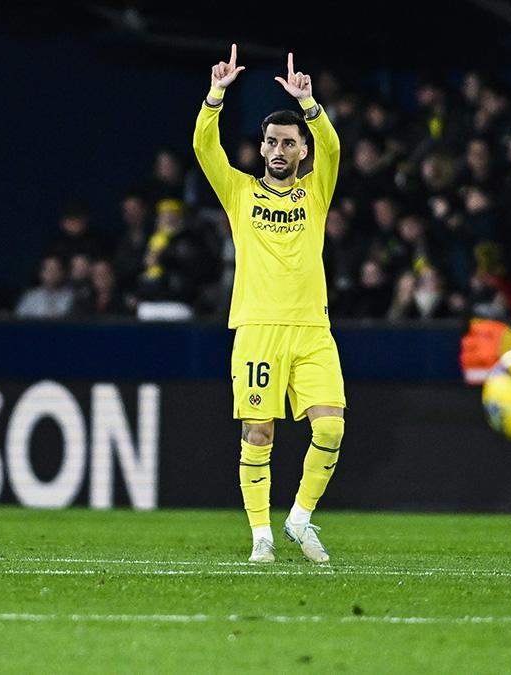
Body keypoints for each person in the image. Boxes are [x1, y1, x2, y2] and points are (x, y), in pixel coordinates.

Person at [193, 46, 346, 565]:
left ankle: (299, 518)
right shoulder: (240, 193)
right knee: (258, 432)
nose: (279, 149)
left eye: (289, 143)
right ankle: (261, 535)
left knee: (330, 427)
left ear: (302, 151)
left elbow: (333, 147)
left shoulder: (315, 193)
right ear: (261, 148)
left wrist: (309, 106)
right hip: (258, 327)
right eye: (272, 141)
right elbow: (204, 148)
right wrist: (216, 95)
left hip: (312, 330)